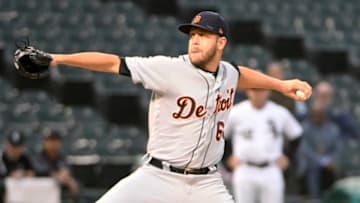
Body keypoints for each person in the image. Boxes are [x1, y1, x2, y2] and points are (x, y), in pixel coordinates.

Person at [37, 11, 311, 203]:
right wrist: (56, 59)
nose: (194, 40)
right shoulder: (168, 69)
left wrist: (281, 85)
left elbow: (241, 74)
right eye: (192, 34)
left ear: (221, 42)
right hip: (157, 176)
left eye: (203, 35)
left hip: (207, 183)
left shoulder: (227, 73)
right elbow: (111, 62)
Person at [224, 88, 303, 203]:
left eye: (261, 90)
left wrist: (288, 157)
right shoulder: (237, 112)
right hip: (244, 168)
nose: (258, 94)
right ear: (248, 91)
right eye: (254, 90)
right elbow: (221, 136)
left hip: (271, 168)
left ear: (268, 92)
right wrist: (227, 158)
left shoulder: (279, 112)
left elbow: (296, 134)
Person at [298, 103, 342, 199]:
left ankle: (332, 198)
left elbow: (338, 149)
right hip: (310, 163)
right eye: (314, 115)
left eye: (319, 115)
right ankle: (315, 198)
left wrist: (331, 160)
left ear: (324, 115)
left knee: (336, 170)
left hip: (330, 164)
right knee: (313, 169)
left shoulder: (333, 129)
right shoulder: (305, 128)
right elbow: (305, 149)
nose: (317, 117)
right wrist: (321, 161)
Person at [32, 130, 79, 197]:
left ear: (60, 143)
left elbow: (66, 172)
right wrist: (56, 175)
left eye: (55, 140)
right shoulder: (38, 157)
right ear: (44, 142)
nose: (53, 144)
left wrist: (67, 178)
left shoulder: (62, 157)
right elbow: (39, 172)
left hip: (59, 193)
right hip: (41, 194)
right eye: (50, 140)